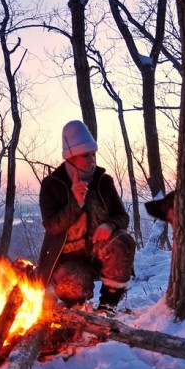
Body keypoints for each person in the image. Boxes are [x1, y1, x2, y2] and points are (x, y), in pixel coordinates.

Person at [37, 120, 136, 314]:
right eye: (85, 155)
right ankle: (76, 306)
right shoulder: (51, 185)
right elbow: (52, 226)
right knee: (71, 285)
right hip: (68, 258)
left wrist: (109, 224)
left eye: (93, 154)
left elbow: (122, 216)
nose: (92, 160)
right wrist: (76, 203)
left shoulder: (103, 181)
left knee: (123, 241)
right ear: (71, 157)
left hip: (98, 251)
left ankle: (108, 304)